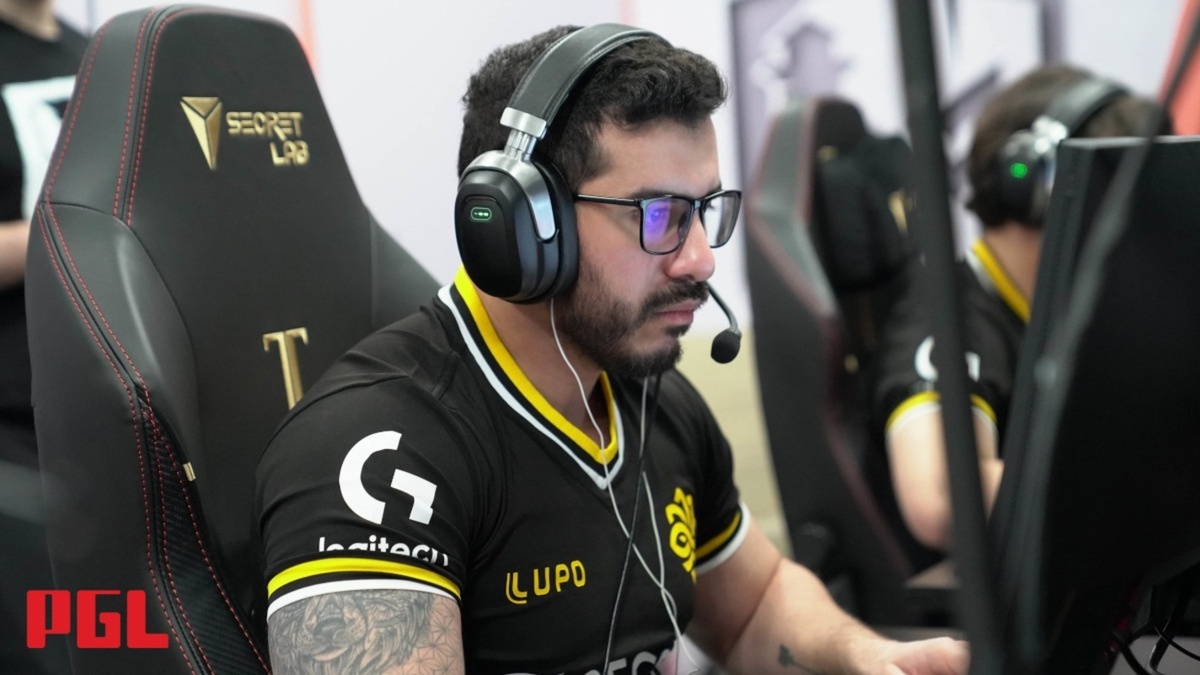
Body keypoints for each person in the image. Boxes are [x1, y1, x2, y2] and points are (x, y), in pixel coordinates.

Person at [257, 25, 967, 674]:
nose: (700, 259)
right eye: (661, 214)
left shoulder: (654, 401)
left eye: (705, 211)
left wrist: (868, 656)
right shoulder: (379, 457)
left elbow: (756, 605)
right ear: (522, 227)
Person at [873, 64, 1170, 553]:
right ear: (1035, 186)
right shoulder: (949, 317)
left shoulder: (1075, 313)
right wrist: (1154, 493)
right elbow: (941, 494)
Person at [0, 0, 86, 671]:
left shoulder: (96, 56)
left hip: (95, 403)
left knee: (108, 637)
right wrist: (71, 231)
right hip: (9, 418)